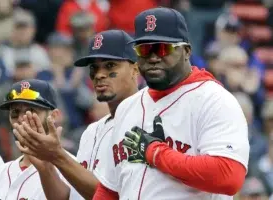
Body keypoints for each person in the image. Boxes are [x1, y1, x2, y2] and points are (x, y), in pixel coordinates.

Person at [93, 7, 249, 199]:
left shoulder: (214, 100)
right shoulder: (127, 107)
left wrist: (156, 153)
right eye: (144, 49)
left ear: (186, 51)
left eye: (162, 48)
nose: (152, 57)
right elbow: (109, 188)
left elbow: (228, 176)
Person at [12, 29, 139, 200]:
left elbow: (117, 196)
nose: (99, 74)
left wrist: (58, 155)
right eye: (94, 67)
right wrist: (47, 168)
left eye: (110, 65)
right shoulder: (91, 132)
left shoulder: (148, 120)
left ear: (135, 69)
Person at [0, 79, 79, 200]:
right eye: (15, 112)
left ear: (53, 116)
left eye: (31, 111)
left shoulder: (74, 169)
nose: (22, 118)